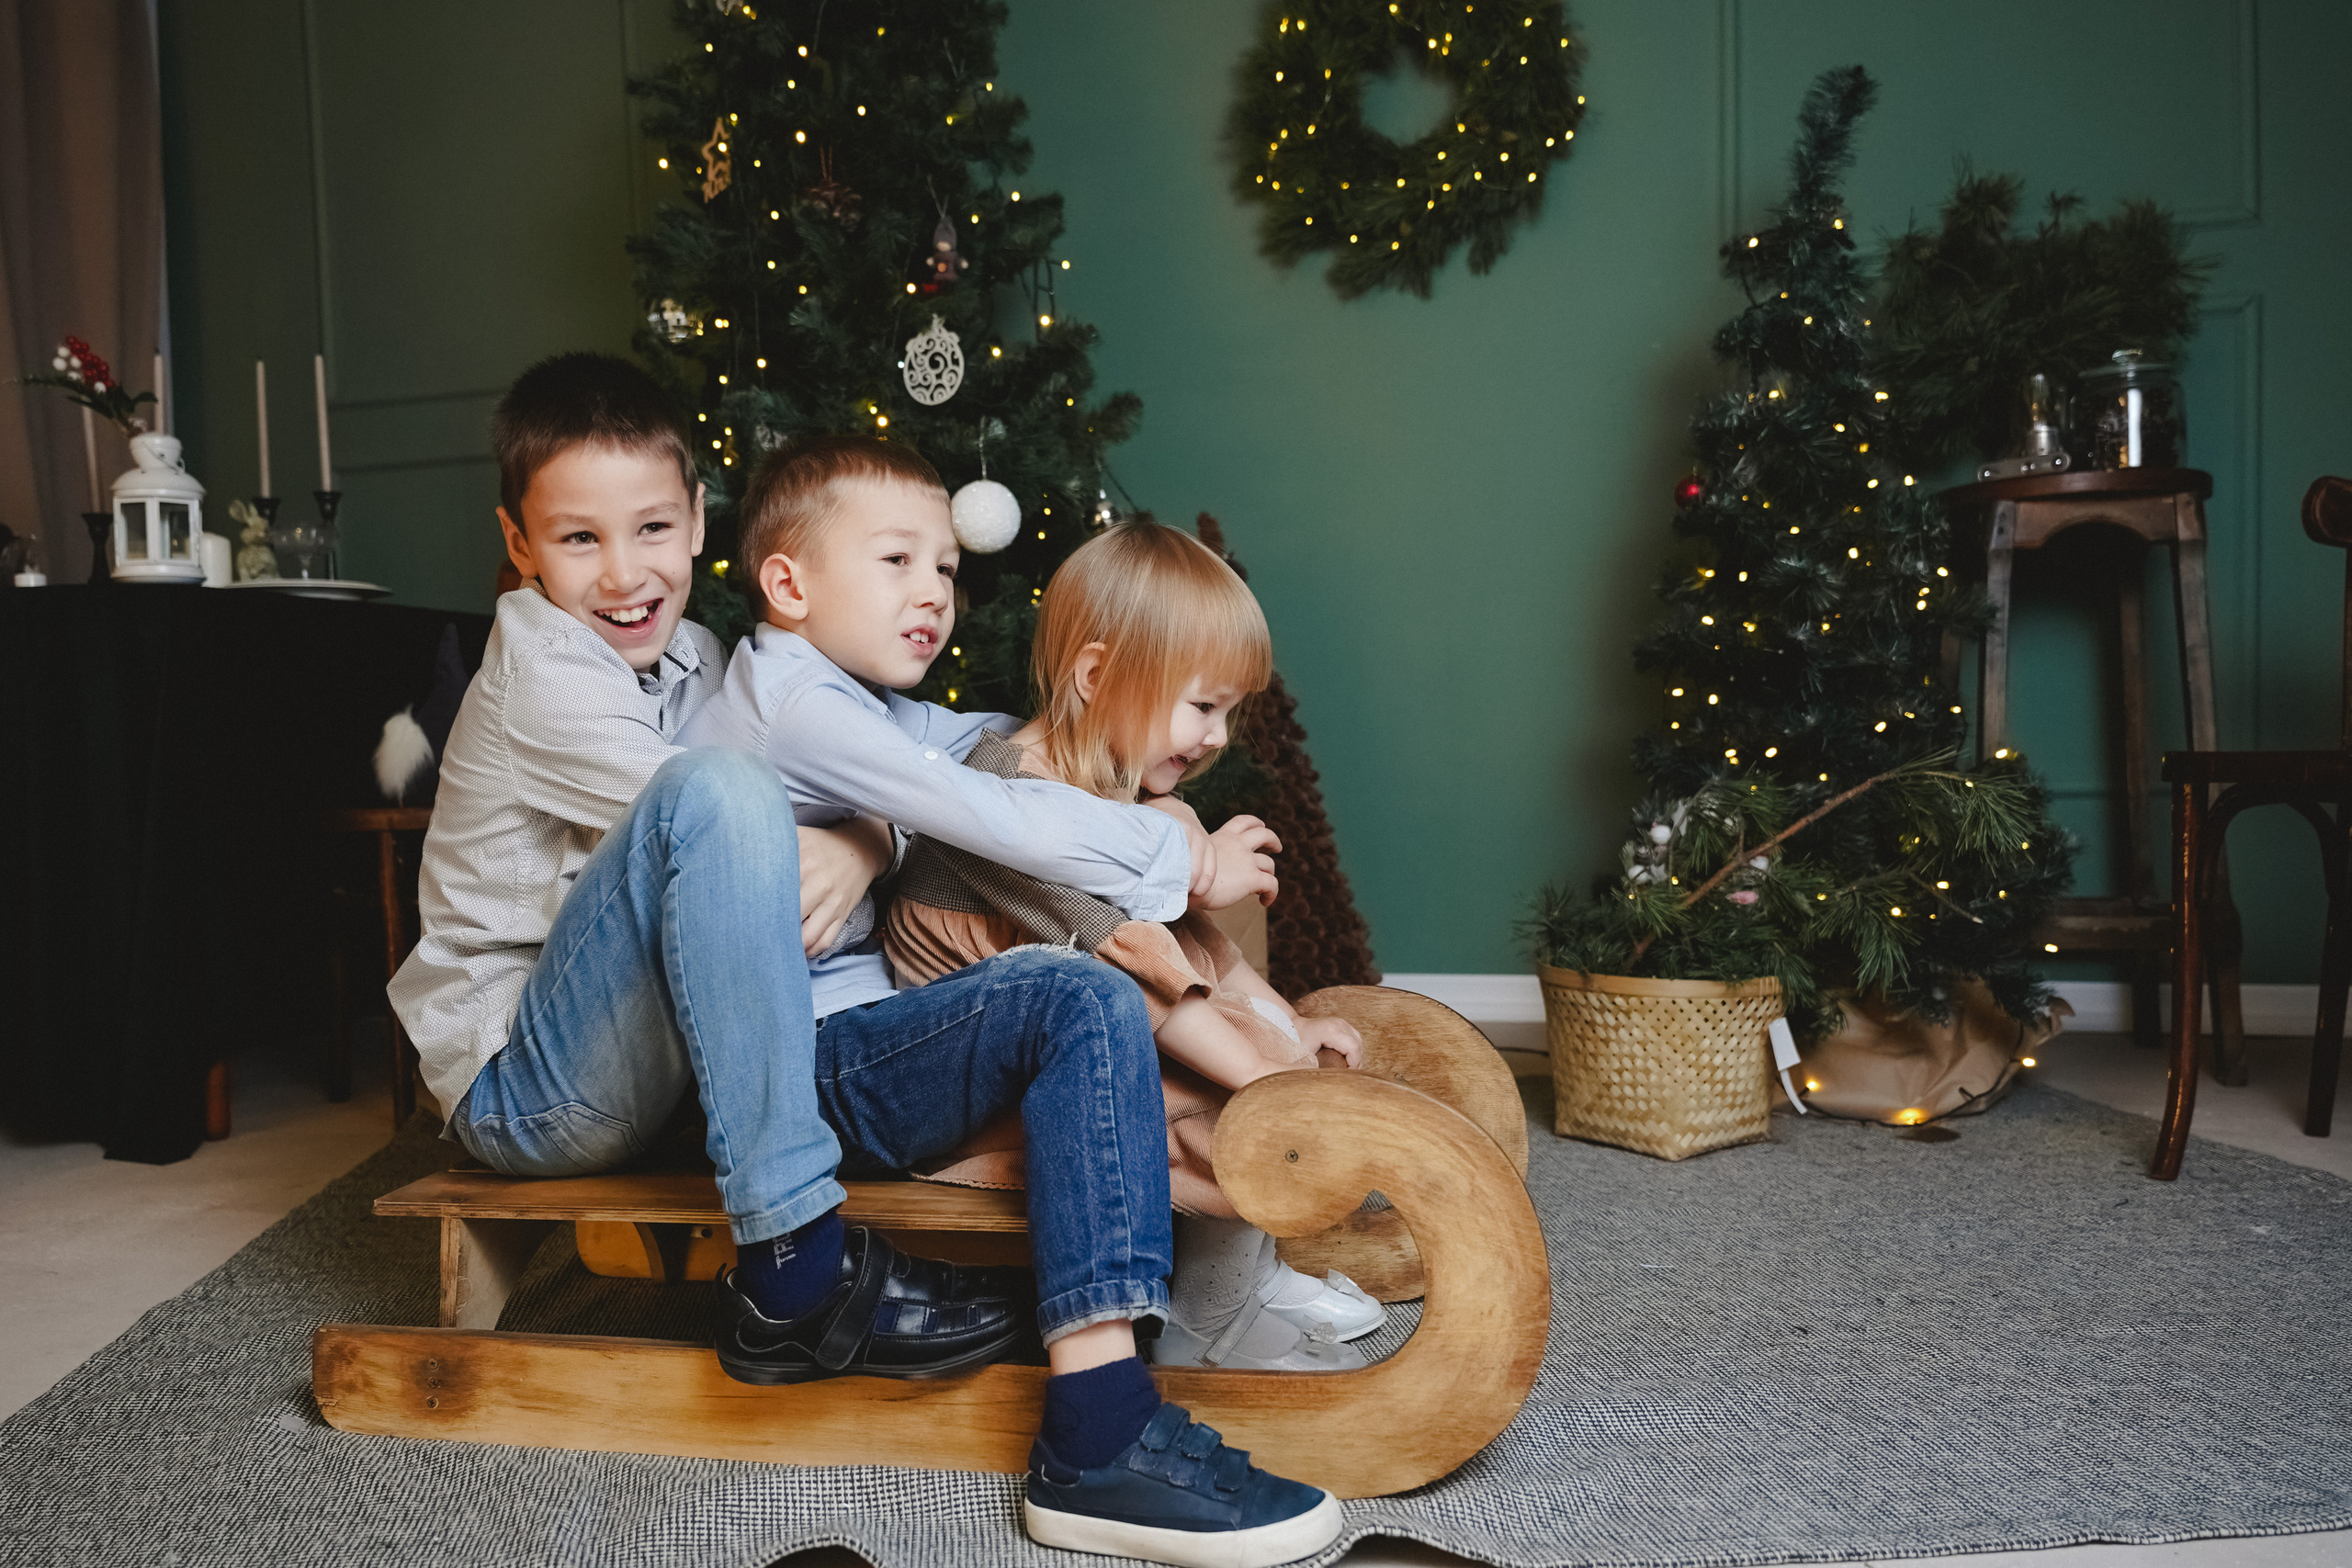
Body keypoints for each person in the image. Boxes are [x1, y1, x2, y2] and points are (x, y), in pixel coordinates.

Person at [683, 435, 1343, 1568]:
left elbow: (975, 759)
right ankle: (1101, 1429)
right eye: (897, 561)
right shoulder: (794, 699)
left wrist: (869, 833)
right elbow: (989, 809)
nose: (934, 593)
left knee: (1095, 996)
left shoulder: (869, 705)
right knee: (1080, 995)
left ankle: (1195, 1315)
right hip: (804, 1075)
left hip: (881, 1043)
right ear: (788, 583)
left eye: (945, 566)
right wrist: (1185, 860)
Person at [390, 352, 1041, 1388]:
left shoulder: (695, 652)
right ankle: (796, 1267)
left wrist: (870, 837)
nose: (623, 574)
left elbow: (883, 766)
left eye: (652, 528)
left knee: (749, 791)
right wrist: (866, 834)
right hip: (523, 1085)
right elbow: (739, 841)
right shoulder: (541, 674)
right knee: (720, 788)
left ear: (697, 519)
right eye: (578, 539)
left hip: (640, 1059)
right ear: (520, 545)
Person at [883, 521, 1386, 1374]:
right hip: (989, 1080)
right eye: (1202, 706)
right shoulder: (1007, 804)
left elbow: (1194, 945)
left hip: (1091, 1030)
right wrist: (1263, 1077)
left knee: (1260, 1051)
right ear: (1096, 677)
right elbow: (1127, 970)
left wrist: (1284, 1026)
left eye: (1228, 710)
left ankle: (1249, 1273)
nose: (1219, 736)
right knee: (1231, 1110)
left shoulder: (1112, 792)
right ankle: (1207, 1319)